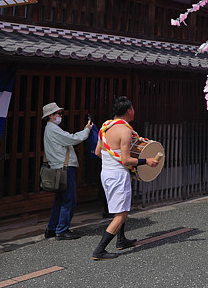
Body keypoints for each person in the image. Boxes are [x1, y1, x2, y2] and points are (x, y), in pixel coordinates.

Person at [92, 96, 159, 260]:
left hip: (106, 173)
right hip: (117, 175)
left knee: (120, 208)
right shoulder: (125, 131)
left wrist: (112, 163)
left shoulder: (105, 128)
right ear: (129, 110)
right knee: (121, 213)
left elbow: (97, 153)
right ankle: (99, 250)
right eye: (133, 108)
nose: (134, 111)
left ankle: (121, 240)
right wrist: (146, 161)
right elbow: (126, 160)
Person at [42, 102, 93, 240]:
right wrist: (86, 130)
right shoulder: (53, 129)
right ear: (50, 116)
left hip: (57, 168)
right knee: (68, 199)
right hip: (64, 168)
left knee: (60, 199)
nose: (60, 115)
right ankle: (62, 229)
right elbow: (73, 138)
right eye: (58, 113)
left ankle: (52, 228)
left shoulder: (50, 129)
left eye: (60, 113)